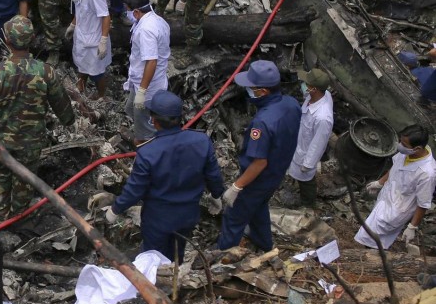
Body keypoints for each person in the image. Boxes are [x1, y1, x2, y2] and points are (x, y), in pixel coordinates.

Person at [0, 16, 75, 221]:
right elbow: (64, 109)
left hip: (1, 141)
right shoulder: (46, 72)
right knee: (26, 176)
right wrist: (69, 122)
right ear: (31, 39)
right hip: (32, 141)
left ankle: (0, 213)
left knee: (0, 173)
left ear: (7, 41)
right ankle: (20, 212)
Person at [105, 91, 225, 262]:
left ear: (153, 120)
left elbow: (135, 190)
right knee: (178, 255)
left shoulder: (148, 152)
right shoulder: (201, 141)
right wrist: (216, 194)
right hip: (188, 215)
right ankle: (175, 283)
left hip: (158, 220)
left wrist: (115, 209)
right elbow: (213, 174)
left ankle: (155, 287)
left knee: (153, 260)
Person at [217, 60, 301, 252]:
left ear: (262, 91)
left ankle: (222, 254)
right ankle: (264, 242)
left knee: (234, 216)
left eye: (250, 87)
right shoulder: (291, 104)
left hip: (258, 178)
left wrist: (237, 187)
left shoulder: (262, 123)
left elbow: (259, 162)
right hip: (277, 172)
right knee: (258, 206)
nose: (248, 90)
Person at [355, 124, 436, 250]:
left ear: (417, 148)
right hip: (386, 199)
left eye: (404, 144)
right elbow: (395, 168)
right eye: (401, 141)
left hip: (397, 210)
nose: (400, 145)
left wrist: (412, 227)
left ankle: (373, 260)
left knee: (375, 240)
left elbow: (423, 204)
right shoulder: (408, 153)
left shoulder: (427, 173)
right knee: (371, 236)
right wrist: (380, 183)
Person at [122, 0, 171, 144]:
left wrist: (142, 92)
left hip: (148, 85)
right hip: (144, 80)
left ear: (136, 11)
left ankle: (145, 145)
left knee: (144, 130)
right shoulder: (157, 20)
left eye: (127, 10)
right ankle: (143, 129)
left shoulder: (146, 30)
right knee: (130, 109)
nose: (126, 13)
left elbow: (151, 61)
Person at [60, 0, 111, 97]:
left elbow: (106, 16)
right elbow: (81, 10)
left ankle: (101, 96)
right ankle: (80, 87)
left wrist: (103, 41)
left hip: (94, 39)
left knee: (96, 72)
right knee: (82, 65)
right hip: (82, 35)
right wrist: (72, 25)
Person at [286, 68, 334, 207]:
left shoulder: (323, 118)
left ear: (314, 89)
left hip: (306, 154)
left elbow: (319, 143)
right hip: (300, 143)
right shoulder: (320, 95)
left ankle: (308, 204)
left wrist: (308, 163)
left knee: (306, 180)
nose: (304, 85)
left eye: (306, 84)